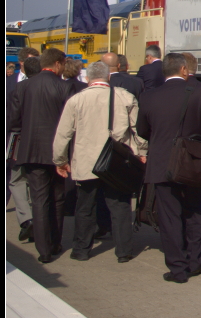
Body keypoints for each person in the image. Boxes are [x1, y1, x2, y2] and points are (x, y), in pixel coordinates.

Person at [136, 53, 201, 283]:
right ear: (184, 70)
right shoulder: (199, 92)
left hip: (162, 162)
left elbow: (141, 130)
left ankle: (177, 268)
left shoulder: (148, 96)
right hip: (192, 161)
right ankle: (196, 262)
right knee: (195, 211)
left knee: (169, 216)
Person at [52, 61, 146, 263]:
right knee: (120, 206)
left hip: (87, 161)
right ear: (108, 77)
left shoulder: (76, 100)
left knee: (85, 207)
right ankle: (124, 251)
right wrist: (141, 152)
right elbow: (138, 130)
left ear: (87, 78)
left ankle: (81, 249)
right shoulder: (125, 97)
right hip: (116, 162)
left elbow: (63, 134)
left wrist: (60, 160)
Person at [7, 47, 78, 263]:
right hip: (58, 151)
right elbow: (73, 122)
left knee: (38, 199)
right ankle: (55, 242)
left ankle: (43, 248)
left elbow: (13, 121)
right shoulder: (65, 87)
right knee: (57, 197)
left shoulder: (23, 87)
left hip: (31, 150)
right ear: (57, 64)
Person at [7, 55, 41, 243]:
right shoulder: (10, 83)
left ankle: (31, 219)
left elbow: (12, 119)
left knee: (21, 179)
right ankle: (31, 220)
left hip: (24, 139)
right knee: (20, 180)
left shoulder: (22, 88)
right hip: (22, 140)